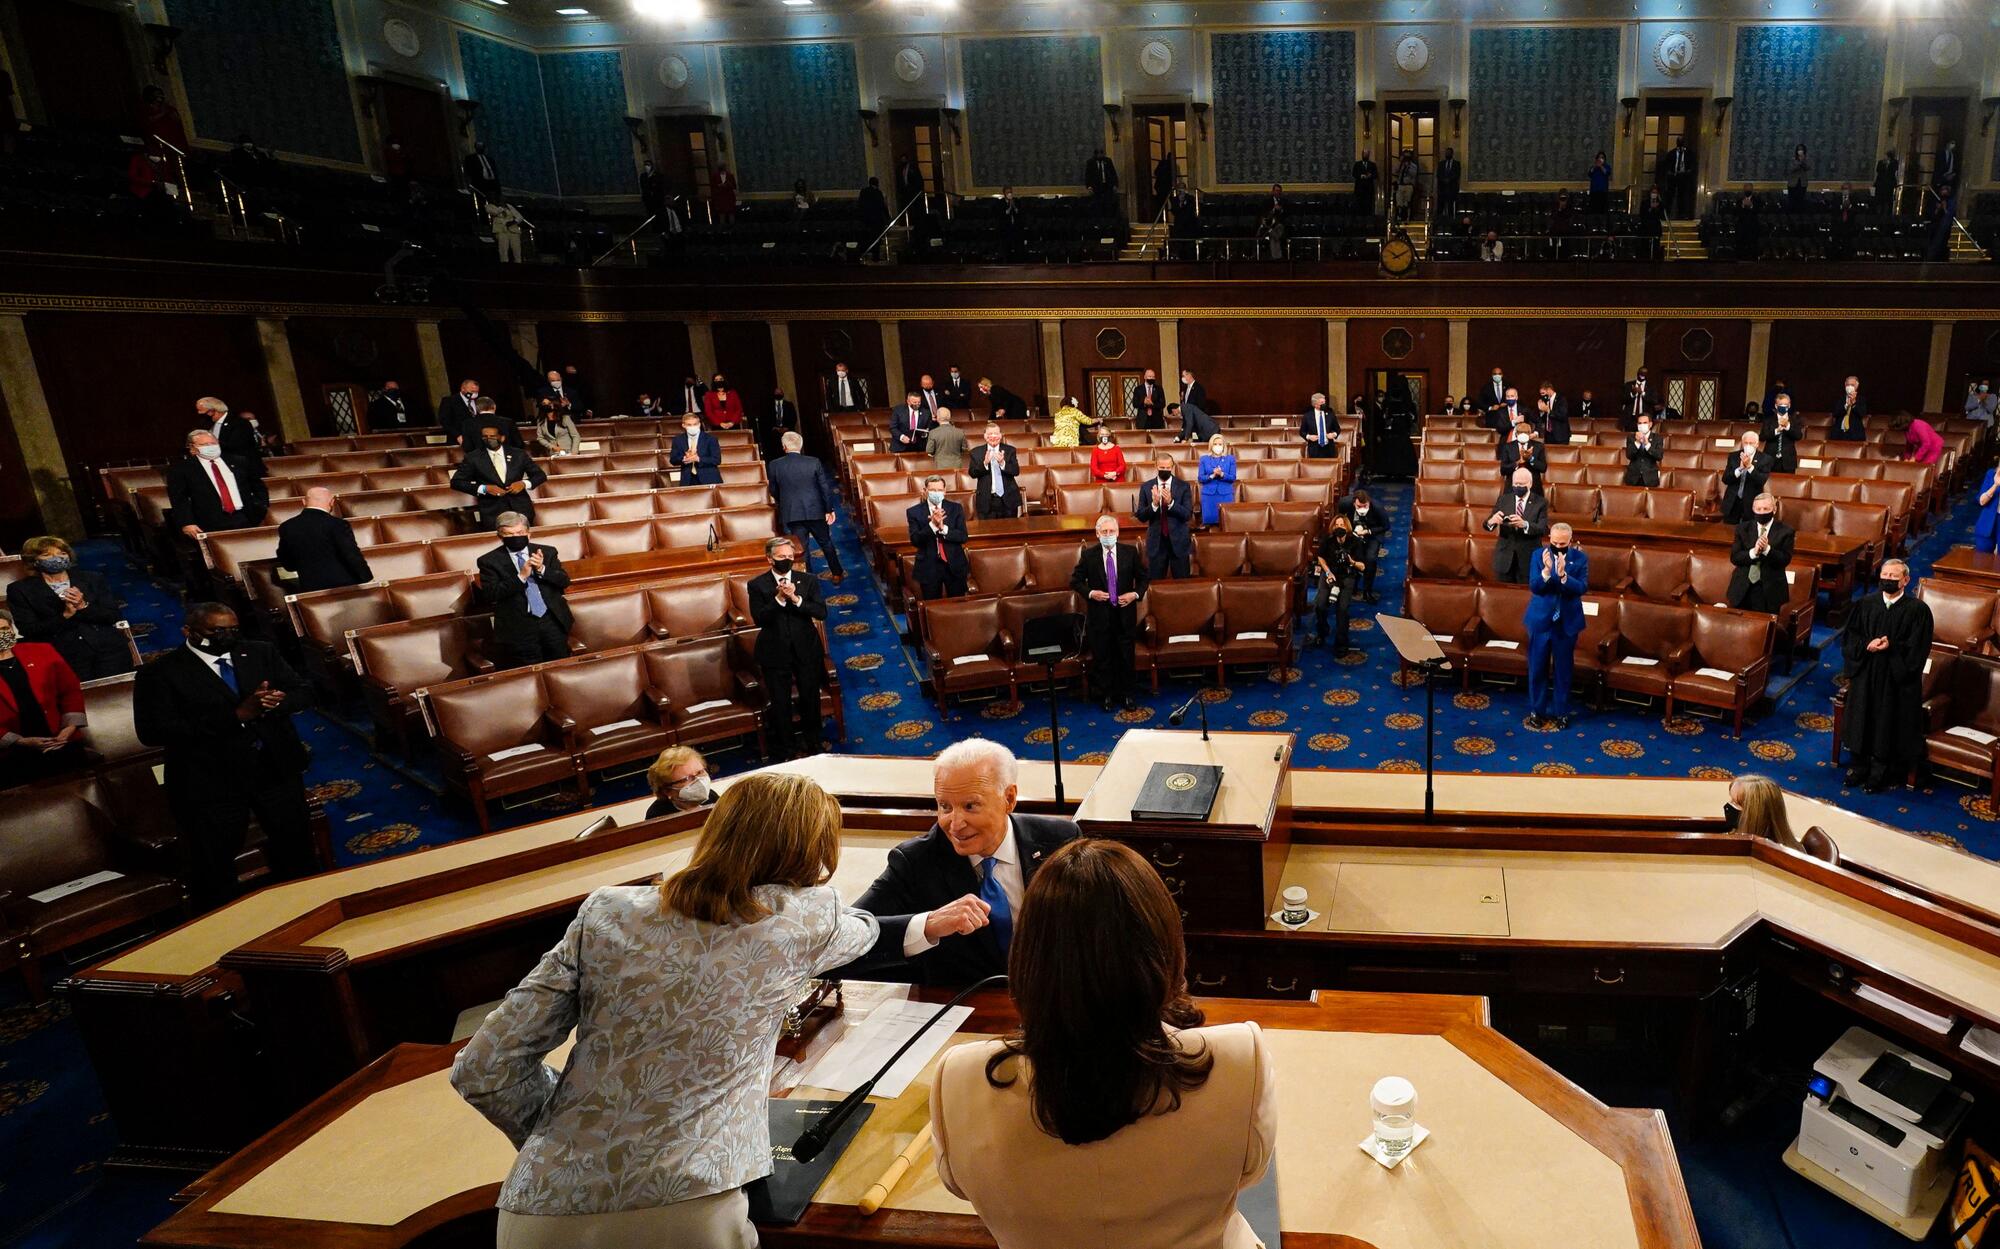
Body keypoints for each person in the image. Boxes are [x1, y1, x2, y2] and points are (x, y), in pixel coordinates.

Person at [453, 771, 876, 1248]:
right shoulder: (807, 918)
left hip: (541, 1211)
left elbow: (483, 1068)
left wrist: (568, 1135)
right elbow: (864, 929)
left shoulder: (607, 912)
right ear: (811, 855)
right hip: (690, 1206)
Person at [931, 835, 1273, 1249]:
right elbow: (1250, 1171)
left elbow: (958, 1185)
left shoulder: (958, 1076)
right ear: (1164, 949)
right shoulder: (1240, 1057)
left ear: (1028, 956)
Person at [846, 740, 1079, 986]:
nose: (955, 824)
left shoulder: (1060, 841)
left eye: (970, 806)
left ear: (1008, 799)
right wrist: (927, 926)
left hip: (1056, 998)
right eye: (945, 807)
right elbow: (842, 937)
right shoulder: (916, 862)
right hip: (967, 1011)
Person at [134, 603, 313, 907]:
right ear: (188, 631)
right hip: (212, 780)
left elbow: (302, 690)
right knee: (215, 865)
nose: (227, 636)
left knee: (296, 848)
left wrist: (278, 701)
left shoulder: (259, 652)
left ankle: (306, 905)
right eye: (216, 631)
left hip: (273, 768)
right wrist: (237, 716)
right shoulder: (160, 673)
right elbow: (153, 732)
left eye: (232, 629)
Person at [1840, 560, 1933, 793]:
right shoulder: (1865, 604)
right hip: (1866, 673)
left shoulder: (1918, 611)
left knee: (1886, 723)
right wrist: (1866, 644)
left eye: (1894, 575)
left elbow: (1918, 648)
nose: (1888, 579)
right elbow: (1850, 637)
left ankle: (1880, 773)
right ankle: (1859, 768)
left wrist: (1892, 646)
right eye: (1884, 574)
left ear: (1905, 580)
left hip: (1895, 679)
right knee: (1862, 718)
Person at [8, 537, 130, 680]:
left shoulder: (92, 578)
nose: (57, 558)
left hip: (108, 651)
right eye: (47, 555)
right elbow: (28, 630)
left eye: (61, 553)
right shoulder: (20, 589)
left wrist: (83, 606)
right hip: (63, 656)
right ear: (34, 561)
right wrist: (64, 616)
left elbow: (113, 615)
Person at [748, 535, 826, 759]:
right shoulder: (757, 585)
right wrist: (779, 599)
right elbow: (760, 619)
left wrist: (796, 599)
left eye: (790, 557)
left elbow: (821, 612)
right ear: (770, 559)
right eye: (782, 557)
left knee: (810, 698)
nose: (787, 560)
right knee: (780, 702)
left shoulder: (808, 580)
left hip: (806, 649)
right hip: (775, 652)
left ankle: (814, 742)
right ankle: (787, 748)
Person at [0, 609, 87, 790]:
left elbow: (70, 691)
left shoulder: (41, 651)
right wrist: (19, 741)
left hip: (61, 739)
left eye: (3, 630)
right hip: (12, 752)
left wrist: (68, 729)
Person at [1072, 515, 1147, 712]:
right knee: (1103, 657)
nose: (1108, 535)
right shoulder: (1089, 555)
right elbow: (1076, 581)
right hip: (1100, 615)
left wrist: (1134, 594)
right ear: (1097, 534)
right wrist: (1090, 593)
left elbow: (1143, 579)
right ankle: (1106, 695)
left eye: (1111, 531)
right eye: (1104, 532)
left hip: (1125, 614)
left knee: (1125, 656)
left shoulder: (1130, 553)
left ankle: (1128, 694)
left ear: (1118, 533)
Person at [478, 514, 572, 668]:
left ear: (529, 533)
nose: (516, 537)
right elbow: (491, 594)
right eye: (509, 534)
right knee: (531, 671)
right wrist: (521, 576)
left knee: (561, 666)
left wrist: (542, 569)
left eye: (520, 533)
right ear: (500, 536)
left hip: (551, 620)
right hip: (519, 627)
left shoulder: (547, 552)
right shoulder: (489, 561)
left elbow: (564, 581)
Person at [1526, 523, 1588, 731]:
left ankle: (1561, 712)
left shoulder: (1580, 559)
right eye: (1554, 543)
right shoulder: (1538, 555)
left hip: (1566, 623)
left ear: (1570, 541)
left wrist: (1563, 576)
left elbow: (1581, 588)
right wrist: (1545, 572)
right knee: (1537, 668)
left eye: (1562, 544)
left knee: (1563, 670)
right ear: (1549, 539)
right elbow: (1534, 586)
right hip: (1541, 621)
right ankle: (1537, 711)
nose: (1557, 547)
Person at [767, 431, 844, 584]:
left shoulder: (775, 465)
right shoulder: (813, 462)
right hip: (815, 511)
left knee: (801, 549)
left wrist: (784, 501)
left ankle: (809, 580)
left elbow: (773, 490)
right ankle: (837, 573)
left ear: (784, 447)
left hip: (792, 513)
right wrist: (829, 510)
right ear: (801, 446)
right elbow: (824, 488)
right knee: (826, 543)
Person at [167, 429, 268, 536]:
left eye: (213, 443)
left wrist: (262, 505)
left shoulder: (239, 461)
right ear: (192, 448)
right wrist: (187, 523)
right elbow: (179, 499)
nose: (210, 447)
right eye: (204, 444)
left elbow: (257, 485)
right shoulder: (181, 469)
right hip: (208, 522)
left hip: (244, 517)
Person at [274, 488, 373, 595]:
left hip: (310, 588)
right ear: (332, 502)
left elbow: (288, 564)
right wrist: (367, 579)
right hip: (344, 588)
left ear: (303, 501)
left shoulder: (287, 527)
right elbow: (351, 554)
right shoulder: (337, 524)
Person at [452, 424, 546, 528]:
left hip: (521, 509)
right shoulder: (473, 457)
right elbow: (456, 482)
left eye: (492, 436)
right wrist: (484, 488)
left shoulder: (518, 454)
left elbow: (540, 475)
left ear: (502, 437)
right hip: (492, 512)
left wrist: (524, 483)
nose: (488, 439)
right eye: (485, 437)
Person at [1727, 493, 1793, 617]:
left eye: (1766, 509)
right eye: (1758, 509)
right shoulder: (1742, 529)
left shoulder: (1786, 531)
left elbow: (1785, 560)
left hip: (1769, 590)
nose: (1762, 512)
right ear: (1753, 509)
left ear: (1774, 509)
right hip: (1742, 588)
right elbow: (1735, 557)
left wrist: (1767, 549)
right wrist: (1753, 552)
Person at [907, 476, 969, 600]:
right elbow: (915, 540)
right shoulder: (914, 512)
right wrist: (932, 526)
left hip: (954, 565)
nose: (936, 493)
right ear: (925, 491)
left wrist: (942, 528)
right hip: (929, 566)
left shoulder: (956, 508)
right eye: (933, 490)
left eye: (939, 490)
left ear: (945, 490)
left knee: (958, 604)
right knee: (932, 606)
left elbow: (962, 536)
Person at [1485, 468, 1548, 585]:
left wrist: (1525, 524)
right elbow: (1487, 524)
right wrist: (1492, 521)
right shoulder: (1504, 499)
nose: (1518, 486)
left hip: (1527, 559)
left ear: (1530, 484)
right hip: (1504, 559)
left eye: (1521, 484)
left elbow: (1543, 529)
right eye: (1515, 484)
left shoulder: (1540, 502)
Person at [1136, 455, 1194, 580]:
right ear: (1156, 466)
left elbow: (1187, 515)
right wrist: (1154, 504)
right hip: (1156, 543)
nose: (1165, 470)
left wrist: (1171, 503)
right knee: (1155, 583)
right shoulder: (1146, 487)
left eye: (1168, 467)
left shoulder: (1183, 486)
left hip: (1179, 542)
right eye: (1162, 467)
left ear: (1172, 467)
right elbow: (1141, 516)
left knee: (1183, 583)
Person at [1309, 516, 1360, 655]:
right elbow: (1320, 557)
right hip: (1329, 575)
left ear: (1347, 527)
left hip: (1347, 577)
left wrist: (1352, 562)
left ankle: (1341, 642)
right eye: (1336, 524)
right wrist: (1327, 572)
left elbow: (1363, 566)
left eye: (1342, 524)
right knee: (1320, 604)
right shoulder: (1328, 540)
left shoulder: (1355, 541)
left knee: (1342, 610)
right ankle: (1322, 631)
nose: (1339, 527)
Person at [1339, 490, 1386, 602]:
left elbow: (1385, 526)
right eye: (1359, 506)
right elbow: (1340, 520)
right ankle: (1352, 587)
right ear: (1353, 503)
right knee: (1353, 557)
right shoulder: (1344, 503)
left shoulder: (1377, 507)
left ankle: (1367, 591)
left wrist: (1367, 531)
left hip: (1372, 534)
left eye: (1365, 506)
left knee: (1370, 559)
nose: (1362, 509)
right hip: (1353, 534)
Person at [643, 745, 712, 820]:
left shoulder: (712, 796)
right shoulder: (656, 816)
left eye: (700, 772)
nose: (698, 781)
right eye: (686, 779)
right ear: (667, 791)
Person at [970, 423, 1023, 520]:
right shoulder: (976, 452)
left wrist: (1003, 463)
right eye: (990, 434)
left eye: (996, 434)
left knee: (1011, 530)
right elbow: (972, 473)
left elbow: (1016, 471)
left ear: (1001, 435)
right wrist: (985, 463)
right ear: (985, 436)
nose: (993, 436)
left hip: (1008, 500)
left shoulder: (1010, 450)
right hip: (986, 500)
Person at [1720, 431, 1771, 525]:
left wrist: (1749, 467)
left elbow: (1761, 480)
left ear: (1757, 444)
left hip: (1751, 503)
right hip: (1732, 502)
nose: (1748, 445)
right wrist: (1739, 469)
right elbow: (1725, 479)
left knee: (1748, 534)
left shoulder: (1765, 459)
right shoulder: (1734, 456)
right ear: (1742, 443)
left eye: (1751, 443)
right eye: (1745, 443)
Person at [668, 413, 723, 487]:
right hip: (688, 480)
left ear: (699, 424)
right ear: (683, 425)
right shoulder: (678, 440)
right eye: (689, 425)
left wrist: (698, 459)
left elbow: (716, 460)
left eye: (695, 424)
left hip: (709, 479)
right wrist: (684, 458)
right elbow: (673, 460)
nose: (692, 427)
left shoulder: (710, 439)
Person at [1195, 436, 1237, 526]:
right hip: (1209, 495)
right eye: (1215, 444)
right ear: (1211, 445)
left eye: (1220, 444)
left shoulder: (1230, 459)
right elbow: (1200, 478)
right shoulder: (1204, 459)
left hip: (1225, 495)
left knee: (1226, 524)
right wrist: (1212, 475)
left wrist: (1222, 474)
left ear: (1224, 445)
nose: (1217, 446)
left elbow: (1233, 477)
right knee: (1209, 524)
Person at [1760, 395, 1800, 474]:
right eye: (1781, 405)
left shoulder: (1794, 420)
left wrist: (1787, 427)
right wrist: (1776, 431)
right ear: (1776, 406)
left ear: (1789, 405)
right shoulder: (1768, 420)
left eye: (1785, 405)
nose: (1783, 407)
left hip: (1788, 461)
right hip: (1770, 459)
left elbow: (1798, 436)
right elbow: (1762, 437)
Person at [438, 377, 483, 446]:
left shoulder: (479, 401)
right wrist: (457, 435)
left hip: (477, 441)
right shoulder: (449, 401)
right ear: (463, 389)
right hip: (458, 441)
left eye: (476, 392)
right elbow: (444, 421)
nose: (474, 394)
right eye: (472, 391)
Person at [1624, 415, 1662, 487]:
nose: (1642, 425)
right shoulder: (1631, 437)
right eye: (1640, 423)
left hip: (1650, 478)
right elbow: (1629, 455)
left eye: (1645, 423)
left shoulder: (1657, 438)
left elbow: (1659, 456)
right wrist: (1637, 443)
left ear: (1650, 424)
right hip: (1633, 478)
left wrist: (1647, 444)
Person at [487, 197, 528, 264]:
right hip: (501, 230)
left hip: (513, 230)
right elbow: (495, 212)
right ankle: (504, 265)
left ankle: (518, 264)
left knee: (517, 249)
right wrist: (501, 207)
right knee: (503, 249)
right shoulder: (489, 206)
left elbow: (520, 217)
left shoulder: (509, 206)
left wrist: (513, 222)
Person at [926, 407, 968, 471]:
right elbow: (964, 448)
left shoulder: (933, 433)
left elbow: (929, 450)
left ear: (938, 418)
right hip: (957, 465)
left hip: (940, 466)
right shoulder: (960, 432)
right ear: (949, 417)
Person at [1661, 136, 1693, 219]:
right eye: (1679, 141)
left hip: (1684, 178)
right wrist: (1670, 173)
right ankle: (1667, 214)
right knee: (1670, 196)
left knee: (1682, 197)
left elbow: (1692, 167)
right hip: (1673, 177)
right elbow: (1666, 166)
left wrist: (1686, 172)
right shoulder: (1671, 153)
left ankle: (1682, 215)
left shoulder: (1689, 154)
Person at [1300, 392, 1340, 458]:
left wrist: (1334, 434)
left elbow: (1337, 429)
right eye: (1322, 403)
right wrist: (1309, 437)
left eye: (1324, 402)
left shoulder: (1330, 414)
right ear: (1315, 404)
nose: (1324, 404)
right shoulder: (1307, 416)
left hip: (1329, 448)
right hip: (1314, 448)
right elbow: (1302, 432)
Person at [1831, 375, 1867, 440]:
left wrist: (1854, 403)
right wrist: (1846, 406)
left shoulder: (1861, 399)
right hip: (1839, 433)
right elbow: (1835, 413)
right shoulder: (1839, 399)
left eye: (1852, 385)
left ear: (1857, 386)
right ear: (1845, 385)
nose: (1849, 387)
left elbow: (1862, 414)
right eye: (1848, 385)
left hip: (1855, 434)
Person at [1975, 466, 2000, 555]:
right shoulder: (1991, 474)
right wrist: (1995, 485)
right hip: (1987, 522)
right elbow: (1982, 502)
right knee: (1981, 562)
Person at [1435, 147, 1461, 222]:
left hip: (1452, 188)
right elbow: (1438, 174)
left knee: (1450, 207)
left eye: (1449, 153)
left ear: (1452, 154)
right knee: (1440, 206)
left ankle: (1451, 221)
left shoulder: (1457, 164)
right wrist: (1443, 180)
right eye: (1446, 153)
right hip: (1442, 188)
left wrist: (1449, 180)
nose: (1447, 154)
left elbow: (1457, 174)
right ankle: (1439, 221)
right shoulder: (1441, 164)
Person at [1353, 151, 1379, 216]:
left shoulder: (1372, 165)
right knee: (1359, 205)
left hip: (1369, 189)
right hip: (1359, 188)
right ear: (1362, 155)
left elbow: (1376, 175)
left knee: (1369, 205)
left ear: (1368, 155)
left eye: (1367, 154)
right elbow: (1354, 174)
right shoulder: (1357, 164)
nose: (1365, 155)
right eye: (1364, 154)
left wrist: (1370, 175)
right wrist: (1361, 176)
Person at [1787, 145, 1810, 212]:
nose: (1800, 151)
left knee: (1801, 201)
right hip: (1792, 183)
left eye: (1802, 149)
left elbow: (1808, 168)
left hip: (1802, 183)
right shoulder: (1792, 159)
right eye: (1799, 149)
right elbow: (1791, 169)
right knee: (1792, 201)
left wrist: (1803, 161)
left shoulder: (1807, 159)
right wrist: (1799, 163)